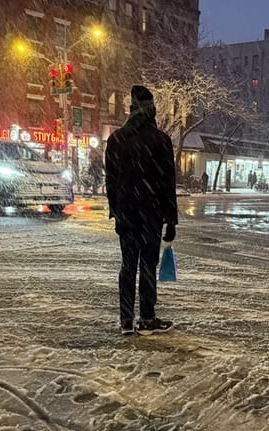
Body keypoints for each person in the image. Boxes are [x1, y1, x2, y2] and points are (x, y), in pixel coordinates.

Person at [105, 85, 178, 335]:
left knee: (128, 266)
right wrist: (171, 220)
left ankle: (126, 319)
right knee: (147, 265)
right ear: (151, 110)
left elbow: (111, 182)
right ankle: (147, 318)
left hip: (127, 215)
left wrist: (116, 212)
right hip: (151, 215)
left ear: (130, 109)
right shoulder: (160, 141)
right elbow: (168, 183)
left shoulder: (116, 140)